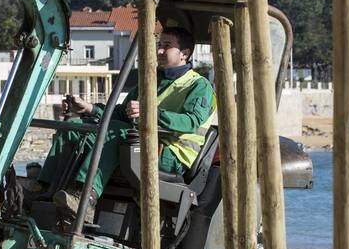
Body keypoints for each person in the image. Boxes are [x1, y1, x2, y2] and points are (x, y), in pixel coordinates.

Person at [32, 27, 215, 223]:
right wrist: (89, 109)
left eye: (167, 46)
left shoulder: (199, 86)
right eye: (159, 45)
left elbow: (191, 121)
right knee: (74, 128)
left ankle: (85, 199)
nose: (160, 51)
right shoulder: (151, 81)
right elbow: (121, 112)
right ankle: (46, 189)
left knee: (117, 132)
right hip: (143, 142)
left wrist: (149, 112)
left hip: (171, 153)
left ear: (184, 54)